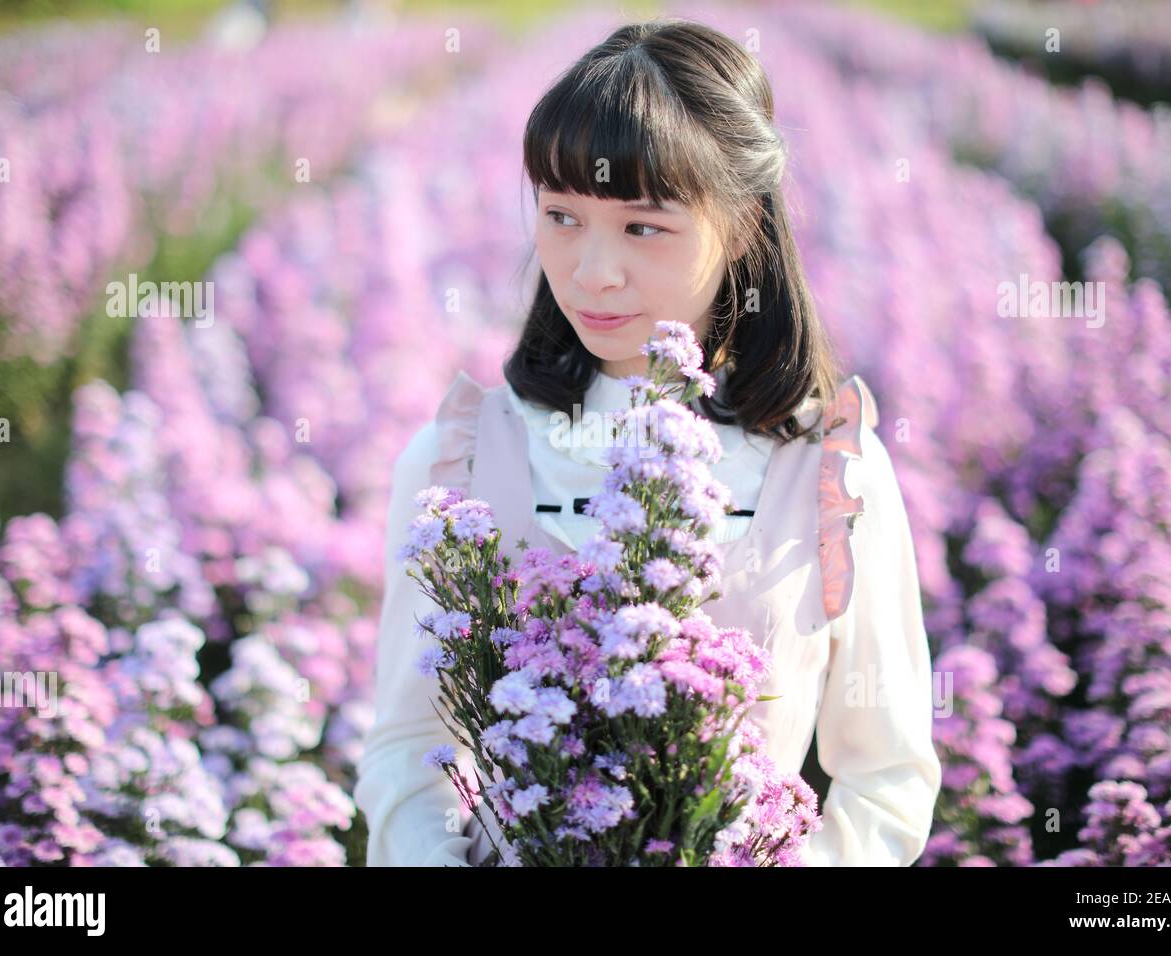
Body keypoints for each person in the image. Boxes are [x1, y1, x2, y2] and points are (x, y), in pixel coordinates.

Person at [353, 16, 941, 867]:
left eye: (642, 227)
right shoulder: (460, 462)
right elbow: (407, 753)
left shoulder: (829, 473)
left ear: (741, 228)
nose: (593, 270)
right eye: (562, 216)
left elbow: (886, 778)